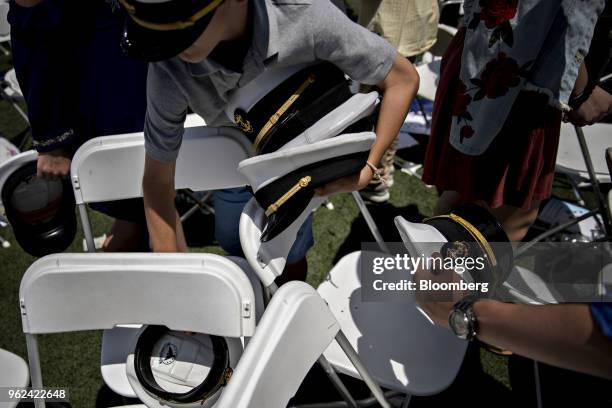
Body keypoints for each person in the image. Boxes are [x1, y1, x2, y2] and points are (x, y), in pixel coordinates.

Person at [120, 0, 419, 283]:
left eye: (182, 27)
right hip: (235, 164)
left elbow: (401, 78)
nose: (168, 48)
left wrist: (369, 165)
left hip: (305, 163)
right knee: (233, 241)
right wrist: (178, 282)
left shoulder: (306, 14)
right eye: (159, 34)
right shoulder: (168, 67)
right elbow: (157, 181)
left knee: (291, 255)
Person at [422, 0, 607, 243]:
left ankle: (428, 272)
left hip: (480, 56)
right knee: (492, 232)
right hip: (515, 82)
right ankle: (436, 274)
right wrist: (581, 92)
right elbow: (572, 13)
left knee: (459, 205)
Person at [8, 0, 149, 251]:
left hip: (125, 45)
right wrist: (52, 141)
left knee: (137, 173)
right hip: (91, 61)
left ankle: (134, 235)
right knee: (126, 178)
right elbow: (31, 21)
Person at [358, 0, 439, 203]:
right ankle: (377, 173)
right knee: (381, 100)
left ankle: (376, 176)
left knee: (378, 103)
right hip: (402, 20)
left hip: (392, 21)